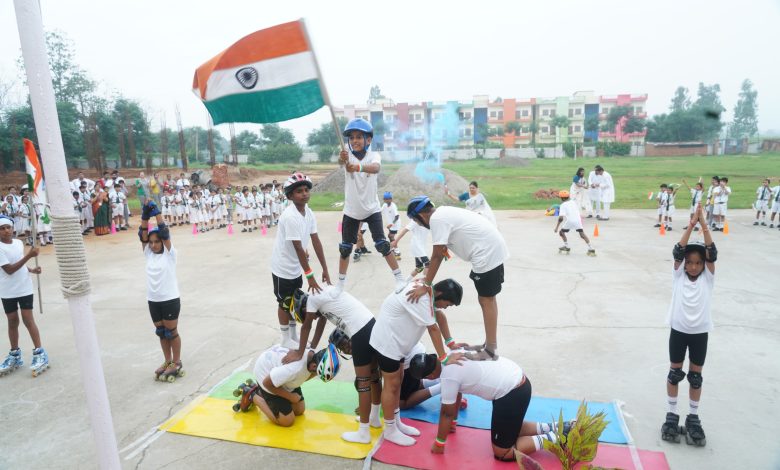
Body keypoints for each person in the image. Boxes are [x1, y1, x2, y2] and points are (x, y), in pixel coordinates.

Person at [408, 353, 571, 460]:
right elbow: (455, 395)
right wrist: (453, 424)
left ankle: (558, 437)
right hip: (517, 381)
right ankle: (557, 427)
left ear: (429, 375)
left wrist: (439, 443)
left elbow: (446, 413)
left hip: (511, 392)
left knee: (502, 452)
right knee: (512, 430)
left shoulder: (448, 377)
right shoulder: (451, 355)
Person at [406, 196, 509, 360]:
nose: (420, 225)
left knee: (486, 300)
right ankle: (489, 345)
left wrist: (426, 284)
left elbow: (437, 256)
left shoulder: (436, 220)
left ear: (421, 216)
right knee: (487, 299)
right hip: (489, 249)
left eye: (417, 222)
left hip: (485, 253)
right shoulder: (443, 213)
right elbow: (443, 250)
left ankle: (490, 351)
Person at [369, 278, 464, 446]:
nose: (445, 307)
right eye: (447, 304)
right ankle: (390, 429)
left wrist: (450, 342)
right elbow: (433, 328)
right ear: (440, 294)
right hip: (388, 343)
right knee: (391, 385)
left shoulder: (428, 292)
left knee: (398, 382)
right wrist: (445, 358)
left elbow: (439, 315)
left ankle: (396, 421)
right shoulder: (421, 297)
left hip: (399, 345)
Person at [282, 286, 382, 444]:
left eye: (310, 315)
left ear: (304, 307)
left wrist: (299, 353)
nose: (313, 318)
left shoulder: (313, 300)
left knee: (363, 382)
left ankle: (363, 433)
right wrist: (311, 349)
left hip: (359, 331)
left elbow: (307, 326)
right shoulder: (321, 296)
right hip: (370, 325)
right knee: (374, 375)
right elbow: (321, 322)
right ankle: (374, 418)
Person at [661, 205, 715, 447]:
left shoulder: (708, 278)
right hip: (679, 331)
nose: (693, 266)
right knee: (675, 374)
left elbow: (712, 252)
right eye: (689, 263)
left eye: (698, 263)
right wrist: (691, 224)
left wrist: (704, 225)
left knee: (695, 377)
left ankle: (693, 417)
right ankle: (672, 414)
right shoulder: (679, 275)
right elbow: (678, 251)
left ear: (704, 265)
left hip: (700, 333)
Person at [336, 118, 406, 292]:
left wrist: (357, 167)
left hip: (371, 209)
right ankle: (340, 285)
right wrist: (342, 159)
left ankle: (399, 279)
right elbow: (341, 162)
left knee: (382, 244)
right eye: (351, 138)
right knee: (345, 249)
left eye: (359, 137)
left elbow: (375, 168)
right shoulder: (347, 154)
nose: (354, 141)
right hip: (351, 211)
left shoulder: (374, 155)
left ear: (368, 139)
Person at [270, 173, 330, 349]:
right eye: (299, 191)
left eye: (306, 190)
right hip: (283, 267)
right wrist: (310, 275)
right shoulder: (290, 216)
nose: (304, 194)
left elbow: (316, 241)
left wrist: (325, 269)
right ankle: (284, 337)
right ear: (289, 196)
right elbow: (297, 247)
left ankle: (293, 335)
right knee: (283, 303)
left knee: (293, 302)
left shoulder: (308, 212)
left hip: (296, 266)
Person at [233, 343, 340, 427]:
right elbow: (267, 383)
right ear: (313, 366)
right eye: (317, 373)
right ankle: (252, 394)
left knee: (299, 410)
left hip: (281, 377)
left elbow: (304, 376)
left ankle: (261, 394)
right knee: (287, 421)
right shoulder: (294, 369)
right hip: (265, 377)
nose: (316, 375)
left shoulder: (313, 357)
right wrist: (290, 396)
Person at [138, 201, 184, 382]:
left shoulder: (170, 254)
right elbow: (142, 235)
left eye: (157, 242)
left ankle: (177, 361)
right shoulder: (147, 253)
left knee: (172, 332)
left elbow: (164, 232)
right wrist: (144, 217)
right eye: (151, 242)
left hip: (170, 299)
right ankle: (167, 361)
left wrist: (157, 215)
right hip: (153, 300)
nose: (154, 244)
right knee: (161, 332)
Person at [0, 216, 46, 377]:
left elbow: (19, 263)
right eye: (2, 228)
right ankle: (15, 354)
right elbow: (9, 269)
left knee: (28, 320)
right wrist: (30, 255)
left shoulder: (18, 243)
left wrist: (32, 270)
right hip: (7, 290)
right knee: (12, 321)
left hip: (24, 288)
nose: (6, 230)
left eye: (8, 227)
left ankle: (40, 352)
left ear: (12, 228)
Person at [554, 191, 595, 256]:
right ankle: (591, 248)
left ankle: (566, 246)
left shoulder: (562, 205)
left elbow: (561, 218)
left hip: (570, 221)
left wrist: (556, 227)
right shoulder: (573, 202)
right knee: (582, 234)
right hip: (578, 220)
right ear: (568, 197)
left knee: (561, 232)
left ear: (561, 198)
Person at [381, 192, 402, 259]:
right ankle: (393, 249)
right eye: (385, 199)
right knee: (390, 236)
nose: (387, 200)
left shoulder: (393, 206)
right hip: (390, 225)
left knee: (391, 236)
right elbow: (380, 212)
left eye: (389, 199)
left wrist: (391, 224)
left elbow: (397, 216)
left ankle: (397, 251)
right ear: (384, 199)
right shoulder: (384, 205)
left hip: (395, 224)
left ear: (391, 199)